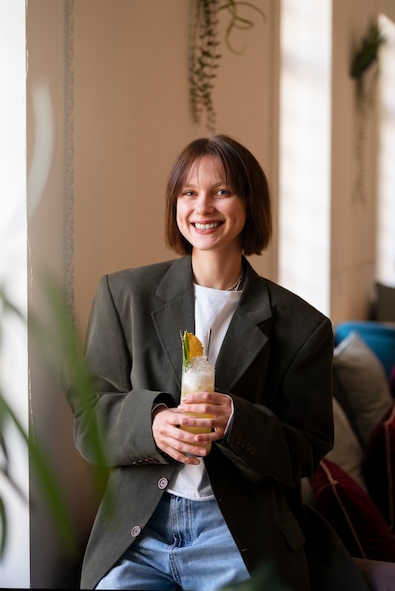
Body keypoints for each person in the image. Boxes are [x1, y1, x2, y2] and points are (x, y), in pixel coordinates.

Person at [67, 135, 365, 591]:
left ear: (250, 202)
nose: (202, 207)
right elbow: (90, 417)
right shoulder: (123, 295)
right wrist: (151, 423)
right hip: (140, 534)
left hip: (236, 536)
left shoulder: (303, 327)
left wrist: (237, 421)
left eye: (221, 191)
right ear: (175, 203)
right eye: (189, 192)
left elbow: (306, 450)